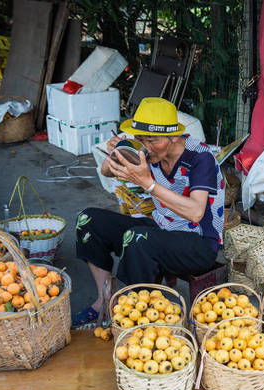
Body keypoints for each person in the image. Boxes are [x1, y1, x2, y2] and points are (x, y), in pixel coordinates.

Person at [73, 97, 225, 327]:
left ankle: (142, 316)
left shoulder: (200, 158)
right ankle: (103, 302)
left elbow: (195, 212)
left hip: (199, 242)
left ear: (174, 136)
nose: (146, 146)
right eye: (141, 139)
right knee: (88, 220)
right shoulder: (146, 150)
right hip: (160, 227)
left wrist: (148, 184)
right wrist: (116, 152)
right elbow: (106, 172)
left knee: (137, 240)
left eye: (152, 140)